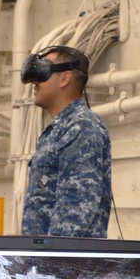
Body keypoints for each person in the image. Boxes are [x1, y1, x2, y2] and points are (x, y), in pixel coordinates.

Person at [20, 45, 112, 238]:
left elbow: (75, 208)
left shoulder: (81, 126)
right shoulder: (60, 129)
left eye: (43, 72)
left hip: (65, 263)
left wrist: (51, 260)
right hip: (48, 259)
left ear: (64, 78)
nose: (35, 82)